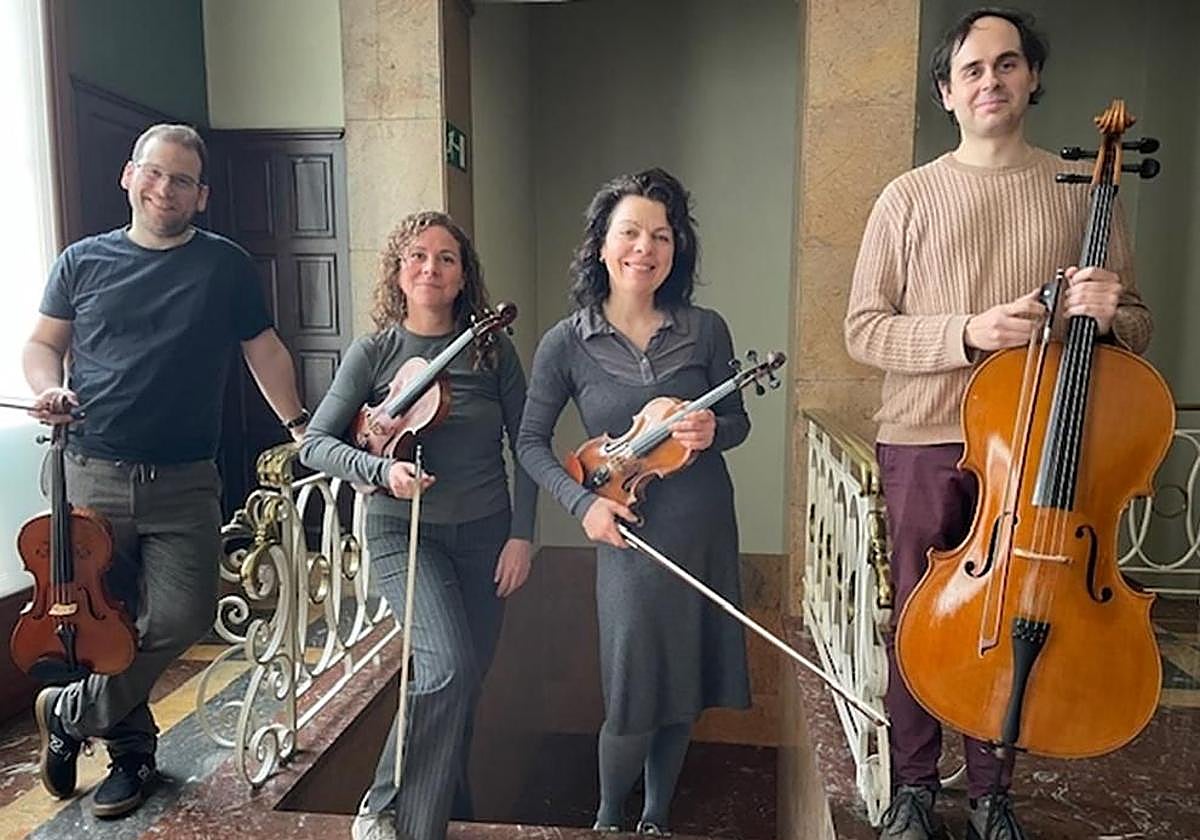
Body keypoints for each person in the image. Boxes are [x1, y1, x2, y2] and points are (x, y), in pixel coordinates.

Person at [844, 9, 1152, 840]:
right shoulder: (907, 197)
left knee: (1017, 617)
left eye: (1007, 64)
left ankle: (992, 792)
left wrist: (1110, 312)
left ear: (1032, 78)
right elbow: (863, 330)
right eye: (972, 70)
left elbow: (1137, 325)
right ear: (946, 92)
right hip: (923, 437)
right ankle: (914, 786)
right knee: (921, 620)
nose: (991, 81)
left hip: (1035, 446)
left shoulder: (1083, 188)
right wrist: (969, 332)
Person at [25, 123, 309, 818]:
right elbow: (42, 344)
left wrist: (301, 425)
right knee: (109, 623)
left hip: (185, 480)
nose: (165, 189)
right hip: (91, 471)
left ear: (201, 196)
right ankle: (133, 757)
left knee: (183, 616)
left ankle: (70, 713)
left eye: (182, 180)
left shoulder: (224, 266)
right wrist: (47, 387)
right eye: (154, 173)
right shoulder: (81, 262)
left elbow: (264, 349)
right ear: (130, 176)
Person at [517, 168, 751, 835]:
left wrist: (713, 429)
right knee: (631, 694)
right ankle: (606, 820)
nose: (644, 248)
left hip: (702, 529)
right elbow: (530, 443)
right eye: (630, 233)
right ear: (601, 245)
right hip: (628, 535)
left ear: (676, 250)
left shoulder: (706, 330)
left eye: (661, 236)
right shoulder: (566, 342)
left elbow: (738, 422)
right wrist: (582, 505)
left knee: (681, 690)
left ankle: (655, 818)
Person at [298, 210, 536, 840]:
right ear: (398, 272)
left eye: (446, 258)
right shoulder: (374, 352)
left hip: (486, 536)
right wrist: (379, 471)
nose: (431, 268)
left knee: (462, 685)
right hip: (402, 533)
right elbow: (315, 444)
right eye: (418, 257)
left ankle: (454, 806)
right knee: (448, 667)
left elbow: (529, 445)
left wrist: (523, 535)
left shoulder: (491, 350)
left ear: (463, 277)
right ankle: (388, 812)